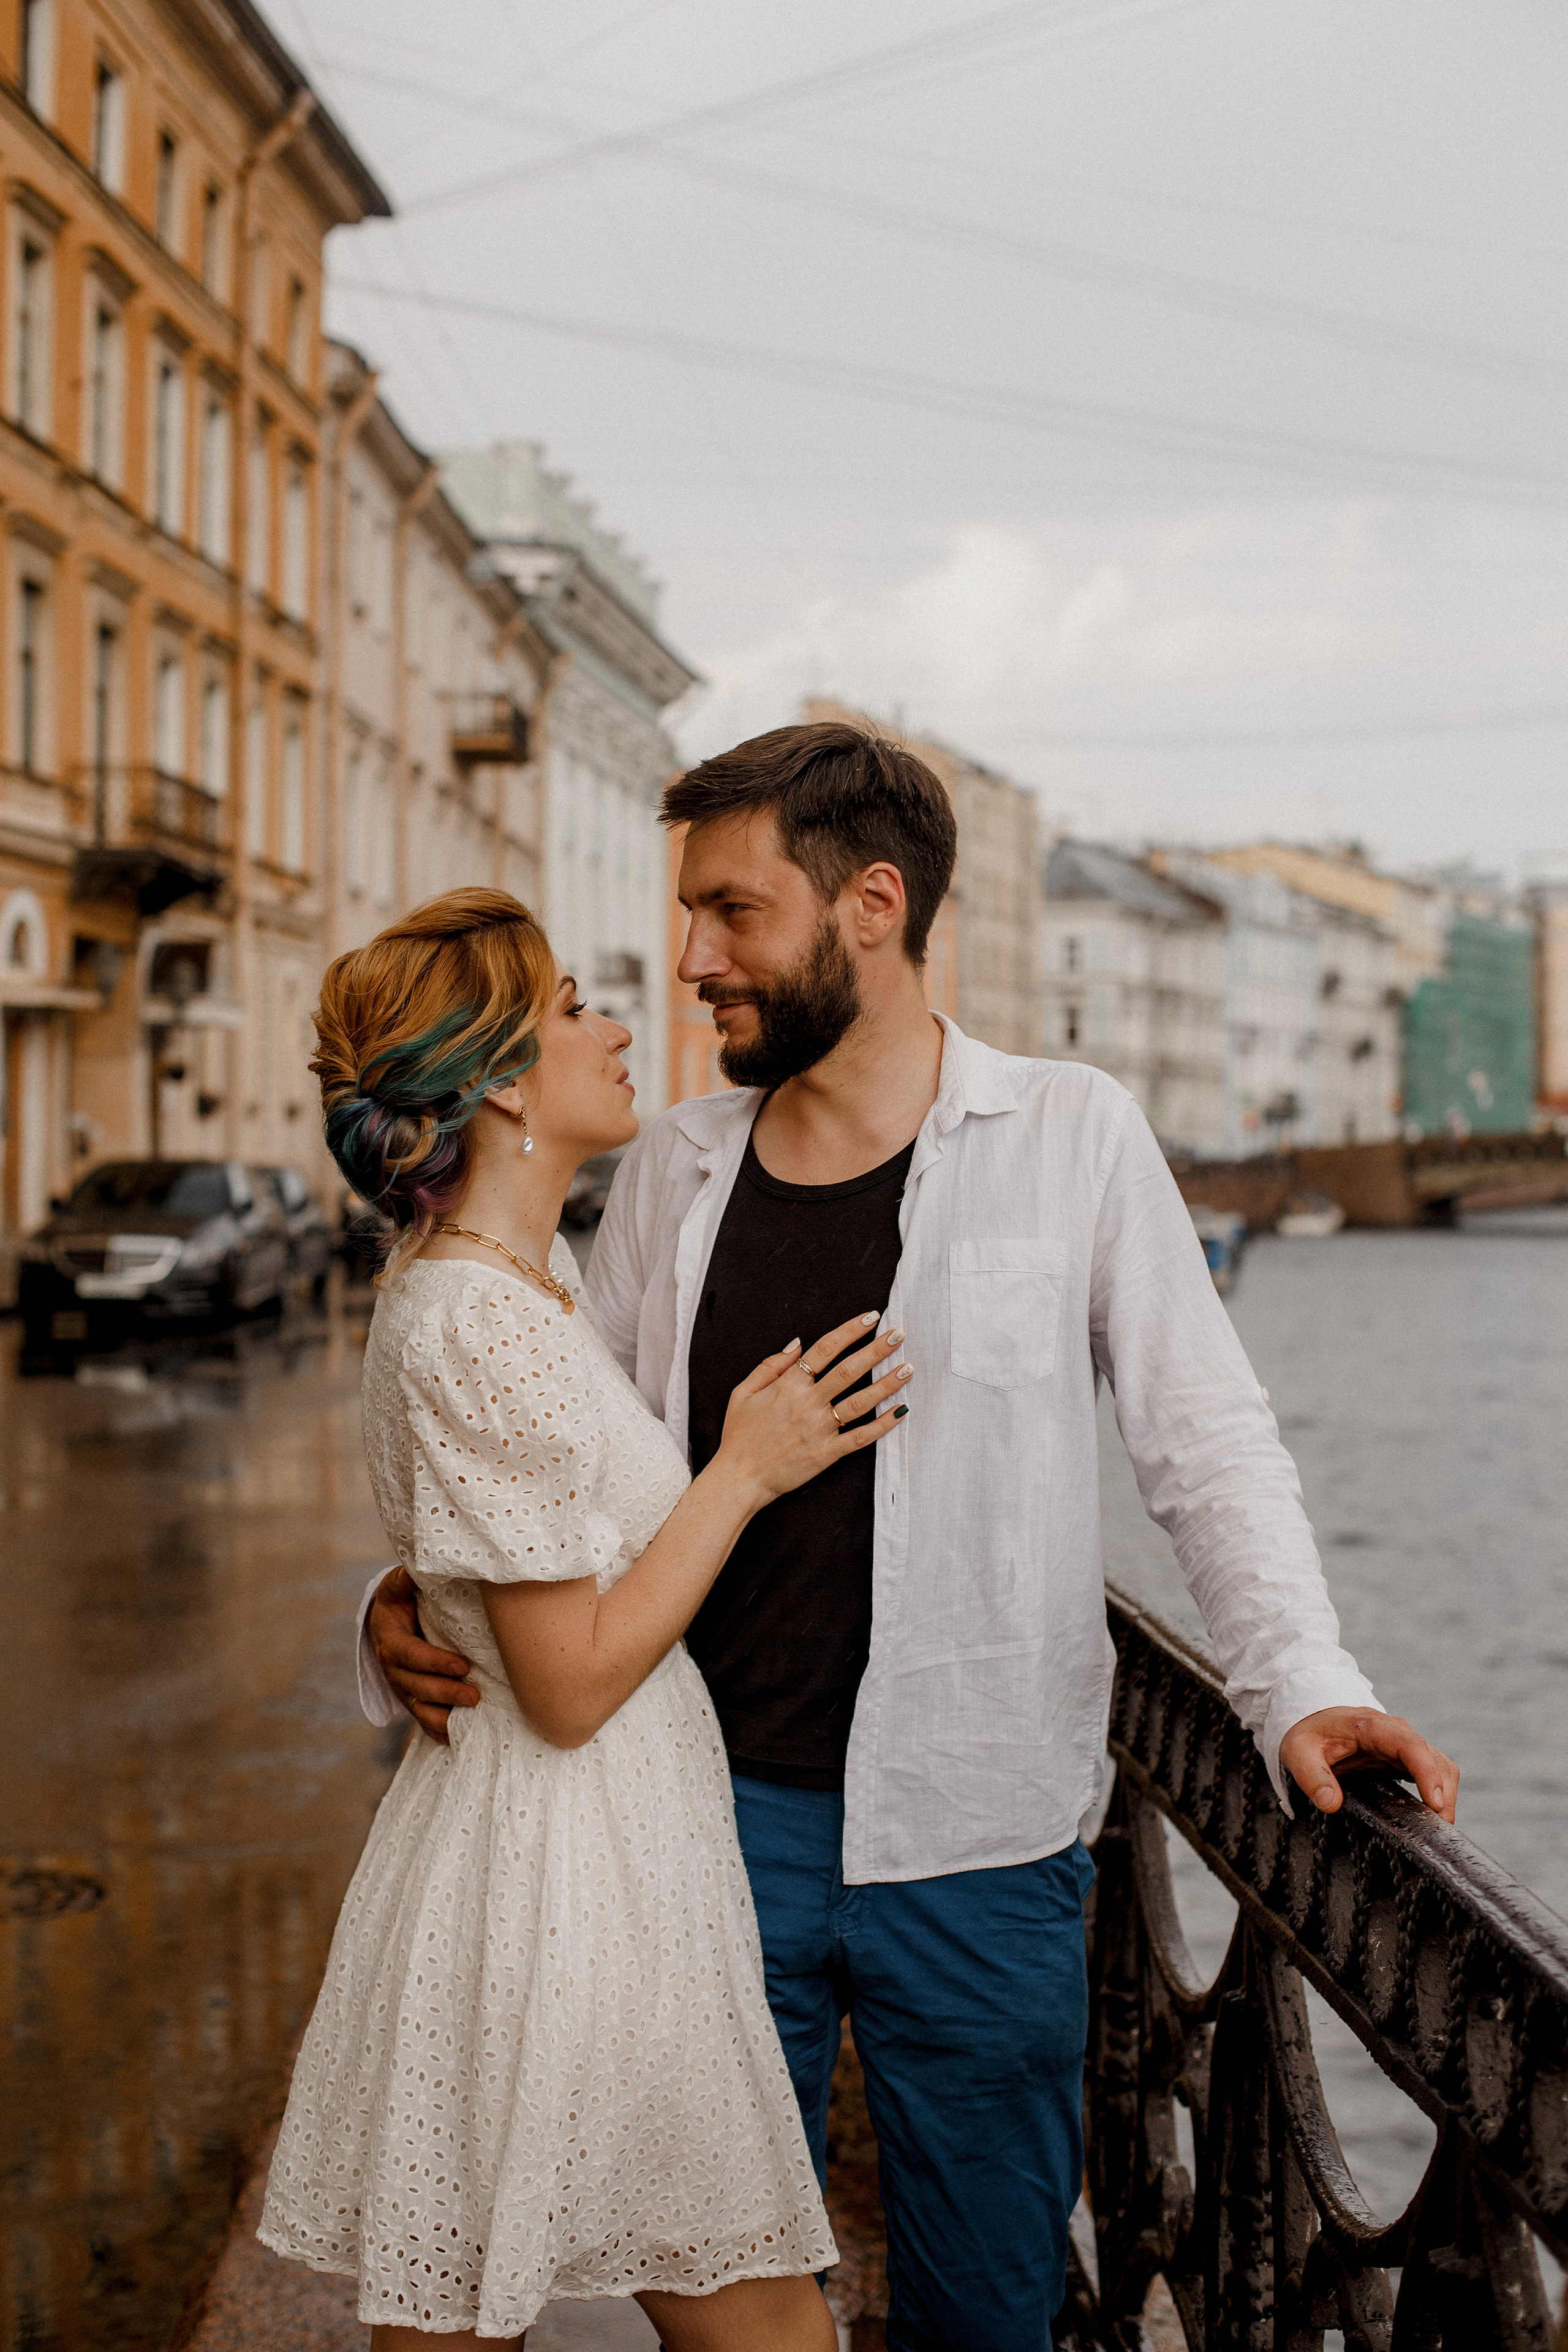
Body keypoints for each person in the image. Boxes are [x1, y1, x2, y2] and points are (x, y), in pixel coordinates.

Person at [364, 725, 1459, 2351]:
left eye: (733, 912)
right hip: (697, 1830)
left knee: (987, 2308)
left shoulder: (1070, 1136)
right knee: (726, 2308)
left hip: (981, 1840)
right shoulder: (674, 1169)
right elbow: (548, 1460)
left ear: (870, 906)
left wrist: (1300, 1681)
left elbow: (1206, 1441)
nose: (692, 959)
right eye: (690, 914)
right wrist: (405, 1599)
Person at [259, 886, 917, 2351]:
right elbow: (565, 1686)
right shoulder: (478, 1317)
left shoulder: (523, 1278)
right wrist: (743, 1471)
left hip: (589, 1857)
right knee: (752, 2328)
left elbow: (517, 1546)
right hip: (559, 1871)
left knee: (500, 2312)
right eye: (571, 1008)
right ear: (500, 1079)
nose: (616, 1028)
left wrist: (415, 1595)